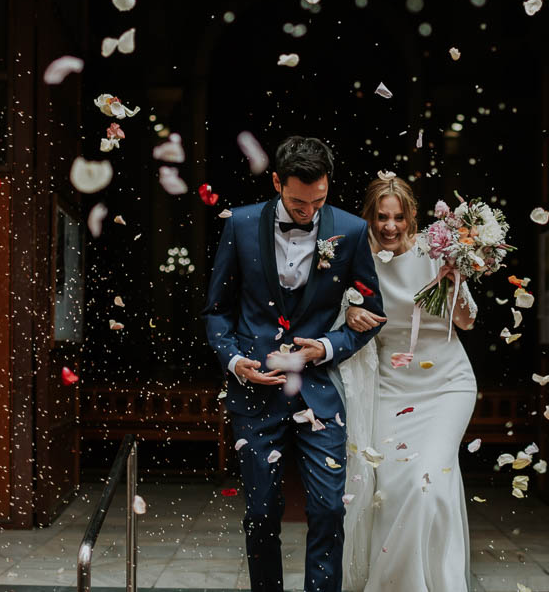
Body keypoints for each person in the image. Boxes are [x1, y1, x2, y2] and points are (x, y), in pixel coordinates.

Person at [202, 136, 386, 592]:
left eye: (318, 201)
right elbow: (217, 311)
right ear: (277, 181)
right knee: (261, 512)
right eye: (298, 202)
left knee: (328, 508)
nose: (308, 212)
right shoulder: (241, 224)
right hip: (255, 392)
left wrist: (324, 346)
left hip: (319, 392)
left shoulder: (351, 230)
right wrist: (236, 359)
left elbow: (372, 313)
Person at [338, 175, 477, 591]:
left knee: (427, 484)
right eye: (382, 217)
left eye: (398, 217)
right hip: (391, 388)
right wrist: (347, 313)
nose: (390, 226)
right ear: (370, 217)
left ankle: (435, 582)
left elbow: (467, 321)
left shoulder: (436, 252)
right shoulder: (355, 259)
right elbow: (336, 313)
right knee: (393, 488)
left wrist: (456, 280)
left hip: (447, 385)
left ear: (411, 217)